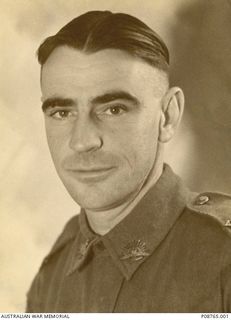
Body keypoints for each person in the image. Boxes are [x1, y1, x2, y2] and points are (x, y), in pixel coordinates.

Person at [26, 10, 231, 312]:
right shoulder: (53, 272)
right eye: (62, 112)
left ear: (168, 116)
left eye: (114, 109)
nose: (82, 141)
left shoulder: (223, 257)